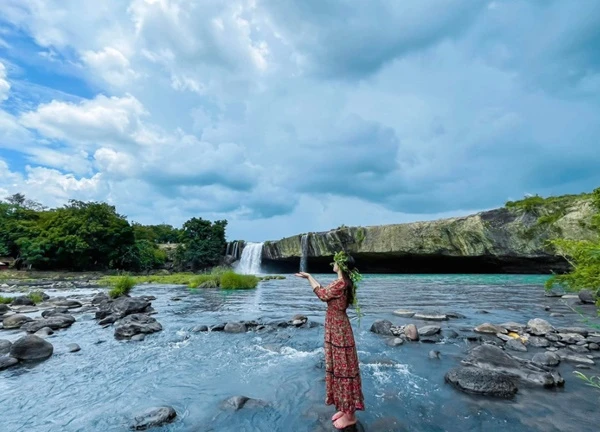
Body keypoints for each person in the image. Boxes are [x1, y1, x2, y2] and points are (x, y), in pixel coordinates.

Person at [295, 251, 365, 429]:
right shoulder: (342, 282)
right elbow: (325, 291)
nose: (332, 264)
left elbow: (322, 295)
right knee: (338, 368)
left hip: (339, 329)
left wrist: (309, 277)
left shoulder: (341, 283)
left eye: (334, 262)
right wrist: (310, 277)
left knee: (344, 370)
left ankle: (350, 416)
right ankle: (344, 407)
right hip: (337, 327)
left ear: (340, 266)